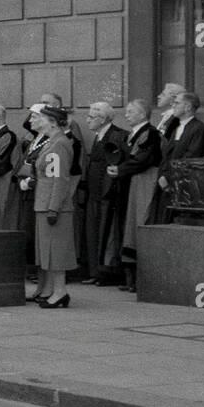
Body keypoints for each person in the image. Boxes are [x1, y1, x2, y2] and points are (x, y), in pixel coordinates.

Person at [26, 106, 76, 308]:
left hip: (52, 206)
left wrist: (54, 207)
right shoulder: (53, 142)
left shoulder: (59, 144)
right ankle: (54, 291)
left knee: (55, 251)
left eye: (43, 119)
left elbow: (60, 179)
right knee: (48, 251)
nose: (39, 122)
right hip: (44, 203)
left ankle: (60, 292)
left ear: (53, 122)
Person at [112, 99, 163, 293]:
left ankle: (139, 278)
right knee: (128, 227)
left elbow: (144, 159)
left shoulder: (149, 133)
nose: (126, 115)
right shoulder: (133, 134)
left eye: (131, 112)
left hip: (143, 183)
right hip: (130, 183)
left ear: (142, 114)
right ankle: (129, 277)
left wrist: (120, 169)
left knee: (138, 224)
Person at [80, 101, 127, 286]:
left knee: (104, 233)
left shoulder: (116, 135)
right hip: (95, 194)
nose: (88, 120)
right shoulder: (98, 136)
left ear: (102, 119)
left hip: (106, 195)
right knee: (93, 232)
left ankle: (105, 273)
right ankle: (96, 271)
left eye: (91, 117)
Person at [154, 90, 204, 222]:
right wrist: (162, 176)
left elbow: (191, 157)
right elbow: (166, 156)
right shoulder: (176, 128)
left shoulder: (200, 129)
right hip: (167, 185)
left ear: (187, 107)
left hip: (185, 188)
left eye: (176, 103)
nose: (173, 106)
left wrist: (168, 178)